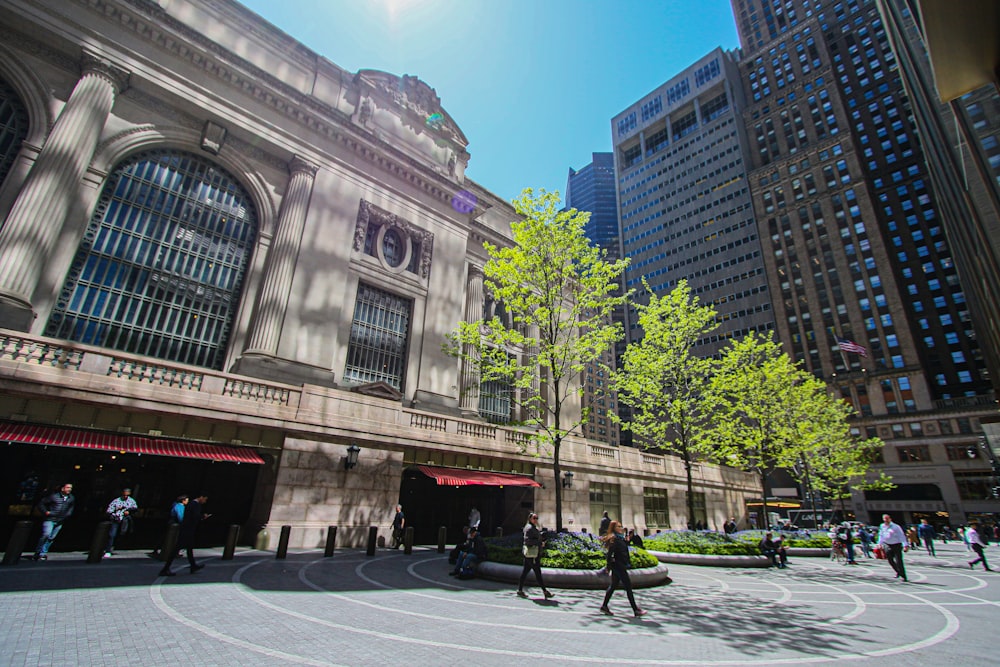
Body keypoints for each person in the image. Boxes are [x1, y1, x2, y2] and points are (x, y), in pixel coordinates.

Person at [599, 520, 646, 617]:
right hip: (618, 566)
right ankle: (636, 610)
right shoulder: (614, 539)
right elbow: (609, 554)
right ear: (614, 528)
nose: (621, 528)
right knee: (628, 587)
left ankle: (604, 606)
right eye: (618, 527)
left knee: (613, 586)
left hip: (620, 565)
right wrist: (609, 566)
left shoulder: (620, 539)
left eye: (621, 526)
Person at [159, 493, 209, 576]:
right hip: (188, 530)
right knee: (177, 548)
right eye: (205, 499)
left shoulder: (190, 504)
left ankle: (193, 565)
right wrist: (203, 516)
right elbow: (195, 516)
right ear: (201, 497)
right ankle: (165, 569)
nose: (205, 501)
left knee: (189, 548)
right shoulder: (195, 505)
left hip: (186, 529)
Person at [516, 512, 553, 600]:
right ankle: (545, 591)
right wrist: (540, 542)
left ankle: (520, 590)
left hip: (530, 554)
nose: (536, 520)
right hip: (532, 555)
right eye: (534, 518)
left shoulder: (531, 527)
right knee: (537, 572)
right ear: (530, 519)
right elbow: (528, 541)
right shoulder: (529, 528)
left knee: (525, 572)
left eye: (537, 518)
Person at [34, 483, 75, 561]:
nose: (69, 489)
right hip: (50, 519)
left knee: (51, 537)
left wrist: (67, 515)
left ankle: (43, 553)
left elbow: (71, 507)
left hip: (60, 520)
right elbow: (41, 503)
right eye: (68, 487)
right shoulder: (54, 496)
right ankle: (38, 551)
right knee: (46, 534)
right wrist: (46, 512)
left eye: (71, 488)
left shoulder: (71, 498)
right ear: (62, 488)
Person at [105, 487, 138, 556]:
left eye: (127, 495)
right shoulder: (116, 501)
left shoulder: (131, 501)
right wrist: (116, 509)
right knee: (112, 535)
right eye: (124, 495)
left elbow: (135, 509)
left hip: (124, 520)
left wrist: (129, 511)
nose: (126, 496)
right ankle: (108, 550)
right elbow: (109, 510)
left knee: (122, 533)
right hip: (116, 519)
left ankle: (115, 545)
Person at [878, 513, 908, 582]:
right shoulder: (882, 526)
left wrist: (905, 545)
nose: (886, 520)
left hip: (896, 544)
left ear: (890, 519)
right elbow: (881, 535)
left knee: (899, 561)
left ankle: (903, 575)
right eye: (884, 519)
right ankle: (898, 571)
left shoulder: (896, 527)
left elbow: (901, 536)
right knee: (890, 560)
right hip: (887, 544)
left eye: (887, 519)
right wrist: (879, 543)